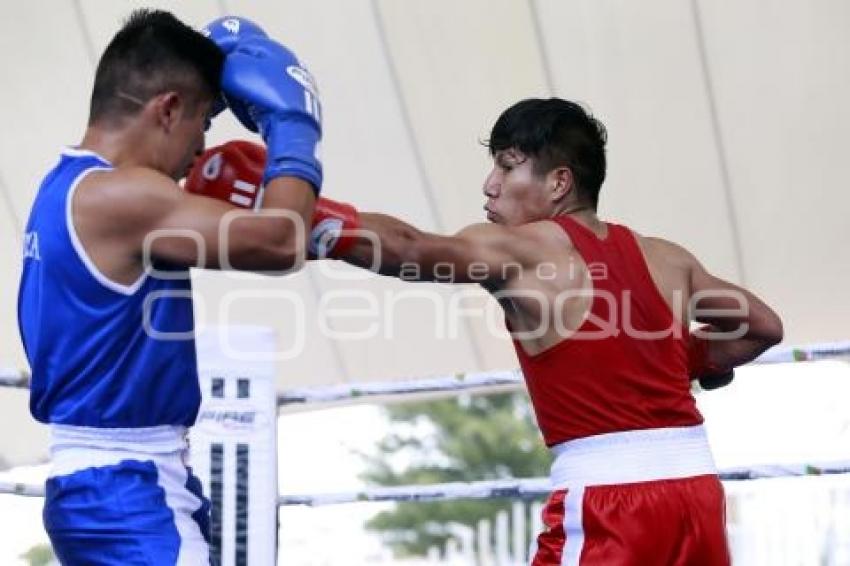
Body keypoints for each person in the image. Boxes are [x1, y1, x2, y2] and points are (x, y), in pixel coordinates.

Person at [189, 98, 783, 565]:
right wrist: (686, 358)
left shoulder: (524, 251)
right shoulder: (668, 257)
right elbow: (761, 327)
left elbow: (410, 248)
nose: (489, 185)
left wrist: (305, 216)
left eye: (506, 164)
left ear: (558, 183)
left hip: (610, 505)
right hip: (697, 496)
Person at [17, 11, 321, 564]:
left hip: (104, 484)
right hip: (127, 489)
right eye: (203, 124)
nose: (200, 150)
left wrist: (205, 90)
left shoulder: (62, 185)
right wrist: (294, 124)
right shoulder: (124, 196)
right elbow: (281, 242)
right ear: (168, 109)